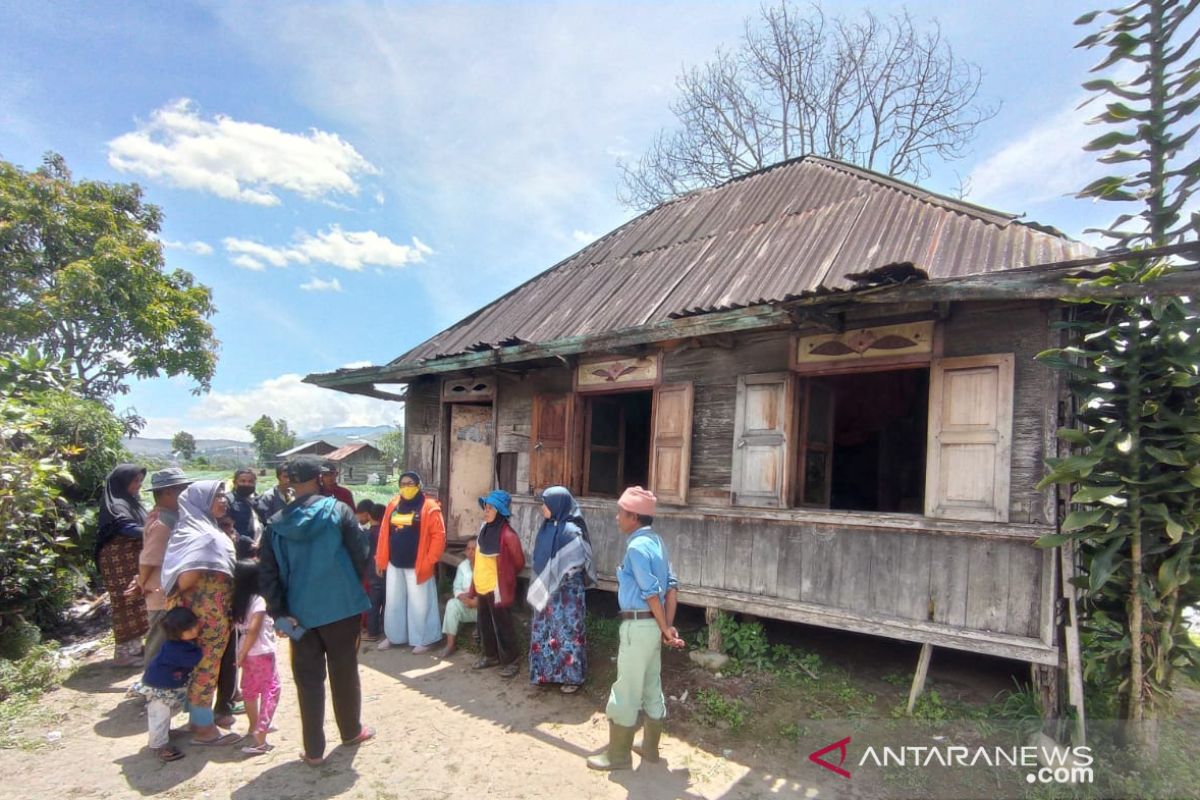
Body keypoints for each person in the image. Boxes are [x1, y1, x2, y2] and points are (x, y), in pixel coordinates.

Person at [259, 455, 375, 767]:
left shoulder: (275, 524)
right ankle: (351, 732)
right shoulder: (339, 511)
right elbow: (362, 555)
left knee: (307, 678)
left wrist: (280, 614)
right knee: (344, 671)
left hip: (298, 616)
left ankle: (313, 751)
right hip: (343, 609)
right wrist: (346, 585)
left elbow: (267, 575)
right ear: (320, 479)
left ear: (289, 482)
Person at [587, 487, 684, 771]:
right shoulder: (658, 543)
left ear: (634, 517)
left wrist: (665, 628)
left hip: (638, 625)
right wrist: (666, 627)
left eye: (621, 513)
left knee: (626, 689)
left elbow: (651, 592)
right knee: (652, 683)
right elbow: (672, 588)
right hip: (653, 627)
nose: (617, 517)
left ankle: (618, 755)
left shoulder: (635, 547)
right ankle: (650, 747)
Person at [160, 479, 240, 747]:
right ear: (200, 502)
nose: (223, 500)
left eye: (223, 495)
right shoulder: (204, 536)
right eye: (217, 495)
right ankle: (203, 729)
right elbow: (185, 579)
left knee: (200, 668)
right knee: (205, 669)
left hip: (201, 614)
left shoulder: (191, 528)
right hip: (204, 616)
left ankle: (198, 719)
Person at [527, 486, 595, 693]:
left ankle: (572, 678)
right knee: (544, 632)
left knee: (567, 633)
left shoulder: (572, 531)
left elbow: (578, 561)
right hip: (547, 593)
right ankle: (544, 674)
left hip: (567, 594)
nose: (542, 508)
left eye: (545, 504)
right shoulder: (546, 528)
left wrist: (559, 578)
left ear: (557, 505)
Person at [373, 471, 446, 653]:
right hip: (395, 562)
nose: (406, 487)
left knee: (421, 603)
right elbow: (384, 532)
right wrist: (380, 559)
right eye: (403, 483)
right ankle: (395, 637)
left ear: (419, 485)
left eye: (410, 483)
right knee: (394, 602)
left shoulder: (429, 506)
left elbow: (439, 536)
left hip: (419, 564)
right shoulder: (394, 504)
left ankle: (426, 639)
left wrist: (431, 560)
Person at [128, 468, 194, 667]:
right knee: (159, 640)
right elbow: (149, 559)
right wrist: (141, 583)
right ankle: (151, 685)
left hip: (167, 588)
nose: (186, 494)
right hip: (160, 591)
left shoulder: (169, 516)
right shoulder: (163, 522)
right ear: (168, 492)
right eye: (182, 489)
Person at [96, 463, 151, 666]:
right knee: (125, 601)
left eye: (140, 481)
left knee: (139, 598)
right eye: (135, 481)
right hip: (117, 560)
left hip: (133, 559)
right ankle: (124, 654)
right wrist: (155, 532)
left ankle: (135, 648)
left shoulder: (133, 502)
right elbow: (126, 527)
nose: (138, 485)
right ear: (122, 482)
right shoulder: (116, 505)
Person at [469, 489, 526, 678]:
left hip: (497, 588)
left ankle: (511, 660)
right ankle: (490, 656)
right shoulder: (483, 529)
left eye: (490, 508)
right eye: (485, 507)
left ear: (500, 511)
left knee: (503, 625)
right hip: (482, 584)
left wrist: (506, 578)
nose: (486, 511)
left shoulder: (509, 535)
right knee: (485, 623)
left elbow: (519, 562)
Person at [137, 607, 202, 763]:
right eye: (189, 629)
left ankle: (163, 735)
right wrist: (201, 650)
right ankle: (159, 746)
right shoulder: (174, 649)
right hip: (158, 687)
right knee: (159, 715)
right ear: (177, 633)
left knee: (163, 714)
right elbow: (192, 660)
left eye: (194, 625)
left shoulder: (178, 643)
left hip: (163, 685)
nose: (194, 630)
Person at [232, 560, 281, 756]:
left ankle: (254, 726)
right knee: (272, 689)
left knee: (250, 690)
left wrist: (242, 653)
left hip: (246, 652)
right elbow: (254, 629)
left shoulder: (237, 601)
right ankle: (261, 735)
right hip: (261, 652)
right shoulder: (258, 601)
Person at [437, 537, 478, 659]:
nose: (470, 552)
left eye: (474, 549)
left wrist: (476, 602)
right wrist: (461, 596)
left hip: (481, 607)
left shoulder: (485, 567)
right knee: (451, 604)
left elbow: (490, 592)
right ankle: (450, 645)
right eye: (468, 549)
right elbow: (456, 587)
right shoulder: (463, 566)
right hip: (466, 603)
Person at [356, 500, 386, 642]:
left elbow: (362, 554)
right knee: (386, 602)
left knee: (373, 605)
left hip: (372, 573)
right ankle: (386, 630)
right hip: (386, 573)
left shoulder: (368, 534)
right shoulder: (386, 533)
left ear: (370, 516)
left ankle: (372, 632)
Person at [226, 468, 260, 558]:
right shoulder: (229, 501)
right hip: (239, 551)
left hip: (259, 551)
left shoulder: (259, 500)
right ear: (235, 483)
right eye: (242, 481)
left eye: (250, 481)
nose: (247, 484)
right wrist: (248, 543)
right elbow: (227, 527)